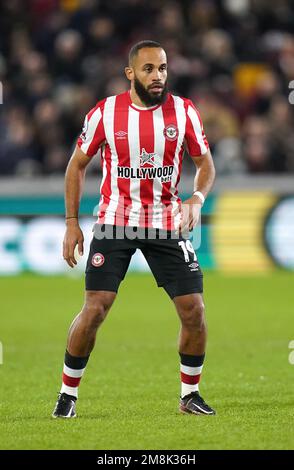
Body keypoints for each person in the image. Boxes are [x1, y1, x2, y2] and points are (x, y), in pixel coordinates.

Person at [52, 40, 216, 418]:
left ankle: (189, 395)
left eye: (162, 68)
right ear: (130, 73)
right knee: (95, 309)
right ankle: (67, 395)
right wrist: (72, 223)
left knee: (194, 310)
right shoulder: (106, 113)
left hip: (166, 223)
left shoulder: (185, 112)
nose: (157, 76)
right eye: (148, 69)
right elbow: (76, 165)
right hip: (115, 222)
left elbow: (205, 165)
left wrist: (196, 199)